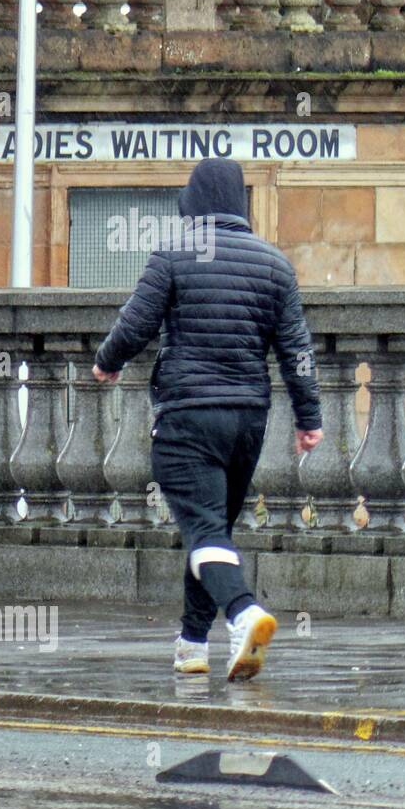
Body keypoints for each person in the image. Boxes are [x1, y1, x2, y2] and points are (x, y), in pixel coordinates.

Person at [92, 158, 323, 681]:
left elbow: (136, 323)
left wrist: (107, 361)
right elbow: (297, 351)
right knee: (211, 533)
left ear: (191, 202)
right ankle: (192, 644)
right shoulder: (274, 264)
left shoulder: (173, 255)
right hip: (248, 422)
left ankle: (244, 613)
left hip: (187, 417)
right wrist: (309, 416)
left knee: (203, 529)